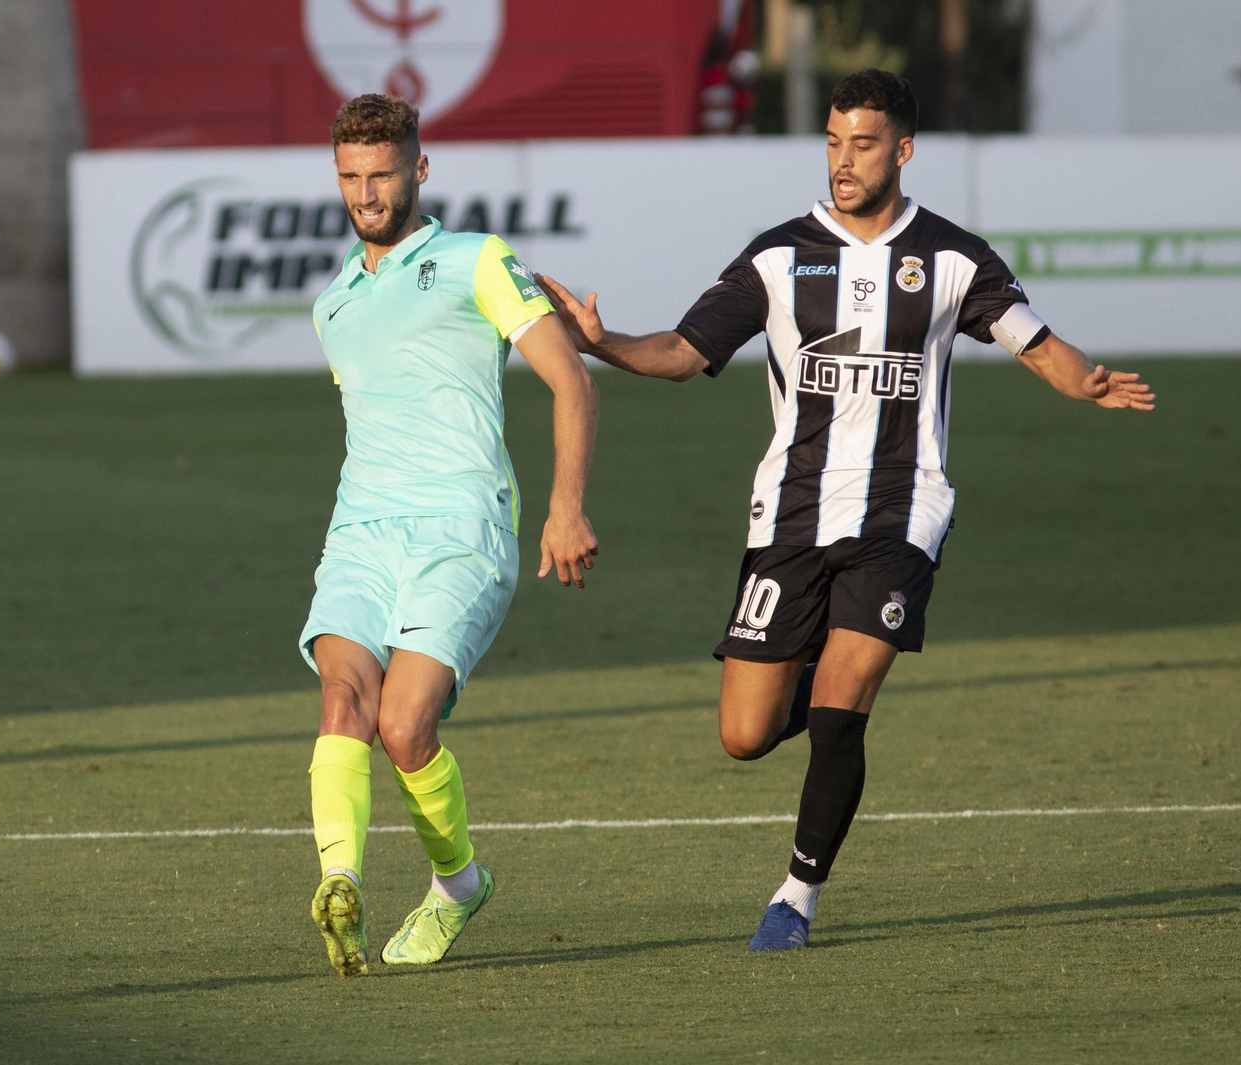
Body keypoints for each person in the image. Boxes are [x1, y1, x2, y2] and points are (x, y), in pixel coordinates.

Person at [536, 69, 1155, 952]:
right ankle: (814, 673)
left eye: (862, 144)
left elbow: (1036, 341)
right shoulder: (778, 255)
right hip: (789, 517)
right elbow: (683, 350)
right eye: (833, 142)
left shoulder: (953, 257)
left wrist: (1084, 381)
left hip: (903, 512)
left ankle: (794, 897)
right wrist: (605, 343)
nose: (843, 161)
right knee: (745, 734)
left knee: (841, 704)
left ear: (902, 149)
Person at [302, 94, 601, 978]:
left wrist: (565, 505)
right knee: (341, 707)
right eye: (351, 176)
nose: (367, 192)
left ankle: (457, 883)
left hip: (463, 524)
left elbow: (571, 381)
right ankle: (340, 884)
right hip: (361, 528)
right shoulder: (331, 305)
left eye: (383, 173)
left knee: (402, 727)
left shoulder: (477, 260)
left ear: (419, 169)